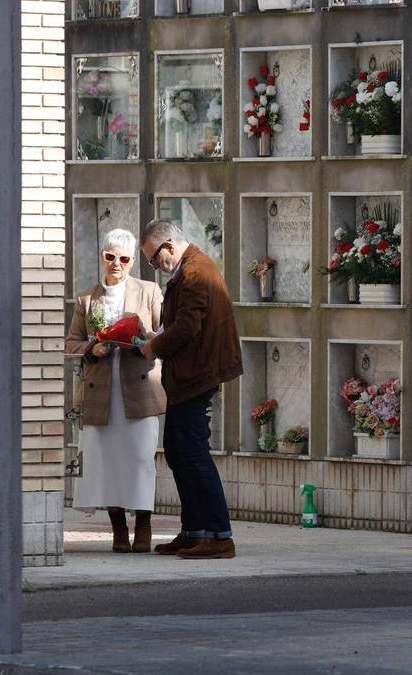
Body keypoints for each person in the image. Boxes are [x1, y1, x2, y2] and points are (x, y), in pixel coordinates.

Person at [138, 218, 243, 560]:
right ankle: (194, 530)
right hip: (188, 375)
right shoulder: (187, 270)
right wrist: (158, 335)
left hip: (197, 374)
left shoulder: (196, 272)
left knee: (193, 453)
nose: (155, 266)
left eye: (154, 259)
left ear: (168, 246)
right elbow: (179, 322)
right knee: (178, 450)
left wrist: (153, 348)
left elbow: (187, 327)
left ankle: (219, 534)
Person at [65, 228, 167, 553]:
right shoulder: (86, 300)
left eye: (124, 258)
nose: (117, 264)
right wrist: (92, 348)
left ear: (133, 261)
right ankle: (119, 530)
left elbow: (165, 335)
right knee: (105, 462)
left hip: (138, 390)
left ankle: (145, 527)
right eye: (111, 257)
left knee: (140, 460)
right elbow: (70, 344)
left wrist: (142, 340)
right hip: (100, 392)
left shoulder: (150, 292)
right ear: (102, 257)